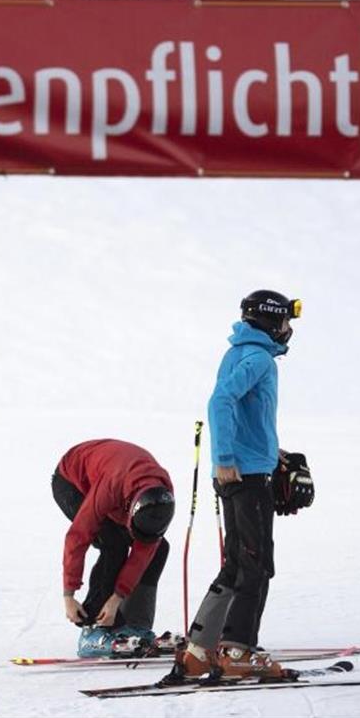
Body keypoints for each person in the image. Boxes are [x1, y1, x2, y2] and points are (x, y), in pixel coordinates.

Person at [165, 289, 302, 683]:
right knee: (256, 566)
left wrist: (269, 450)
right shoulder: (259, 359)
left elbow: (246, 413)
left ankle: (198, 652)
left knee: (238, 563)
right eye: (285, 321)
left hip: (244, 469)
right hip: (245, 476)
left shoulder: (238, 353)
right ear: (269, 320)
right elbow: (220, 401)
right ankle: (239, 650)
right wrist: (225, 458)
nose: (289, 330)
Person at [52, 439, 176, 657]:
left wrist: (117, 597)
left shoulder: (161, 497)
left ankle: (134, 625)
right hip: (72, 480)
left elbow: (144, 551)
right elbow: (77, 537)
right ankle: (93, 630)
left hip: (121, 483)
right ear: (131, 510)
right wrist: (69, 595)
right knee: (114, 543)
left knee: (158, 549)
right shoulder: (112, 485)